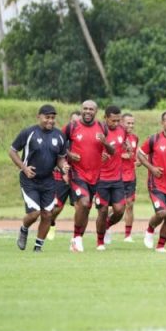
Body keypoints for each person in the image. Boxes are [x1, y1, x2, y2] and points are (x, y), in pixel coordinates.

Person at [9, 104, 69, 253]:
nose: (50, 121)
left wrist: (64, 166)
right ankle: (24, 229)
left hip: (48, 181)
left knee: (48, 214)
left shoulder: (59, 136)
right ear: (39, 117)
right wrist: (24, 168)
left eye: (53, 118)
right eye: (47, 117)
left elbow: (60, 159)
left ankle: (38, 247)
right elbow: (12, 151)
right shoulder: (29, 132)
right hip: (29, 180)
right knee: (34, 213)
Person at [63, 101, 114, 253]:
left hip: (96, 176)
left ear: (96, 111)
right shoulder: (72, 127)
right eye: (85, 108)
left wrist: (105, 142)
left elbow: (112, 152)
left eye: (91, 109)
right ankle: (77, 238)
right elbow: (58, 144)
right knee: (84, 203)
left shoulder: (102, 127)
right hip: (77, 173)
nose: (87, 111)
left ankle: (77, 238)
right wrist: (69, 154)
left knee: (86, 209)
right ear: (81, 110)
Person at [137, 111, 166, 253]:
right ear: (162, 123)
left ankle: (161, 246)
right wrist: (151, 168)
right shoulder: (154, 139)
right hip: (156, 183)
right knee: (162, 213)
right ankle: (150, 229)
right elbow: (140, 154)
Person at [93, 105, 130, 250]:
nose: (116, 123)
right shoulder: (99, 131)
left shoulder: (122, 130)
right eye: (113, 120)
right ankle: (100, 241)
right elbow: (91, 150)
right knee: (102, 211)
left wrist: (126, 145)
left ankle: (106, 226)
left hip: (116, 177)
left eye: (118, 120)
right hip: (101, 177)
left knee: (120, 209)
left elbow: (119, 147)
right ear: (105, 118)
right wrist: (99, 153)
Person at [47, 111, 79, 241]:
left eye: (78, 122)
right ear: (69, 122)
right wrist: (64, 172)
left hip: (78, 176)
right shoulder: (60, 138)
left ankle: (76, 236)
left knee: (80, 207)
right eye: (74, 121)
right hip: (61, 176)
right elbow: (56, 158)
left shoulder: (84, 137)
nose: (76, 124)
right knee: (57, 207)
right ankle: (51, 223)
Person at [120, 113, 139, 242]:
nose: (130, 125)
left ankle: (127, 235)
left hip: (131, 176)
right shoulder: (115, 136)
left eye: (132, 123)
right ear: (121, 122)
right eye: (128, 123)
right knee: (117, 208)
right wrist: (121, 155)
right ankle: (107, 228)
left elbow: (135, 155)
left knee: (130, 205)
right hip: (117, 176)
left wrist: (138, 161)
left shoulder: (134, 138)